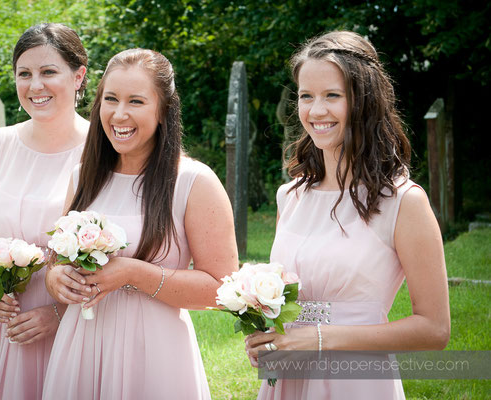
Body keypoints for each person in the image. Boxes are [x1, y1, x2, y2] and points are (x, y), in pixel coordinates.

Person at [245, 31, 450, 399]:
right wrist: (267, 340)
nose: (315, 110)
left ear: (364, 101)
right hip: (290, 381)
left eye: (332, 96)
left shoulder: (404, 202)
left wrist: (322, 339)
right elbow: (289, 305)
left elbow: (434, 330)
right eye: (306, 96)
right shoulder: (289, 196)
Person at [43, 48, 238, 399]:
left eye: (136, 101)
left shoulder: (194, 181)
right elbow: (58, 259)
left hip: (155, 352)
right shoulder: (82, 177)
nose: (119, 114)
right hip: (82, 346)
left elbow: (220, 290)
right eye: (111, 99)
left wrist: (133, 273)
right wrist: (56, 277)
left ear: (163, 110)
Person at [0, 23, 89, 399]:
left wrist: (59, 314)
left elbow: (114, 257)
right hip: (0, 325)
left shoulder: (100, 151)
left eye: (49, 72)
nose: (35, 86)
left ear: (78, 76)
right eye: (24, 74)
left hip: (72, 327)